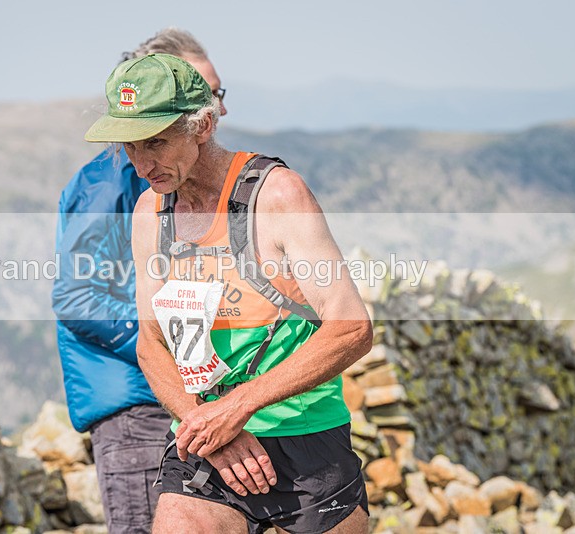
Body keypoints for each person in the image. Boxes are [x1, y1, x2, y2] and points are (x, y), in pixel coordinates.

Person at [84, 54, 373, 533]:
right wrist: (207, 426)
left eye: (155, 142)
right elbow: (151, 344)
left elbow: (351, 328)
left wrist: (237, 408)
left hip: (304, 441)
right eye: (129, 146)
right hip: (205, 444)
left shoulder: (277, 197)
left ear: (202, 125)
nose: (141, 163)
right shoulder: (148, 213)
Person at [52, 29, 227, 534]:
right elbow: (77, 294)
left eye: (219, 94)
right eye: (205, 92)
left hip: (180, 399)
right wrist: (171, 351)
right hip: (138, 408)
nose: (216, 110)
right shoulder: (113, 180)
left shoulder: (177, 175)